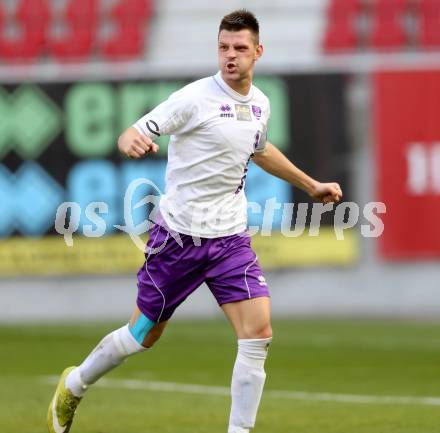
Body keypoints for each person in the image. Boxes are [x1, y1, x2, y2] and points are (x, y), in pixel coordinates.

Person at [47, 9, 342, 433]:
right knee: (141, 336)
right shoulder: (194, 98)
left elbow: (259, 149)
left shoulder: (260, 103)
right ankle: (74, 384)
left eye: (240, 48)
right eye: (223, 47)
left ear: (258, 52)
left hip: (230, 241)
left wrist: (309, 184)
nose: (230, 56)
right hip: (177, 241)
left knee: (258, 333)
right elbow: (138, 128)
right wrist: (131, 137)